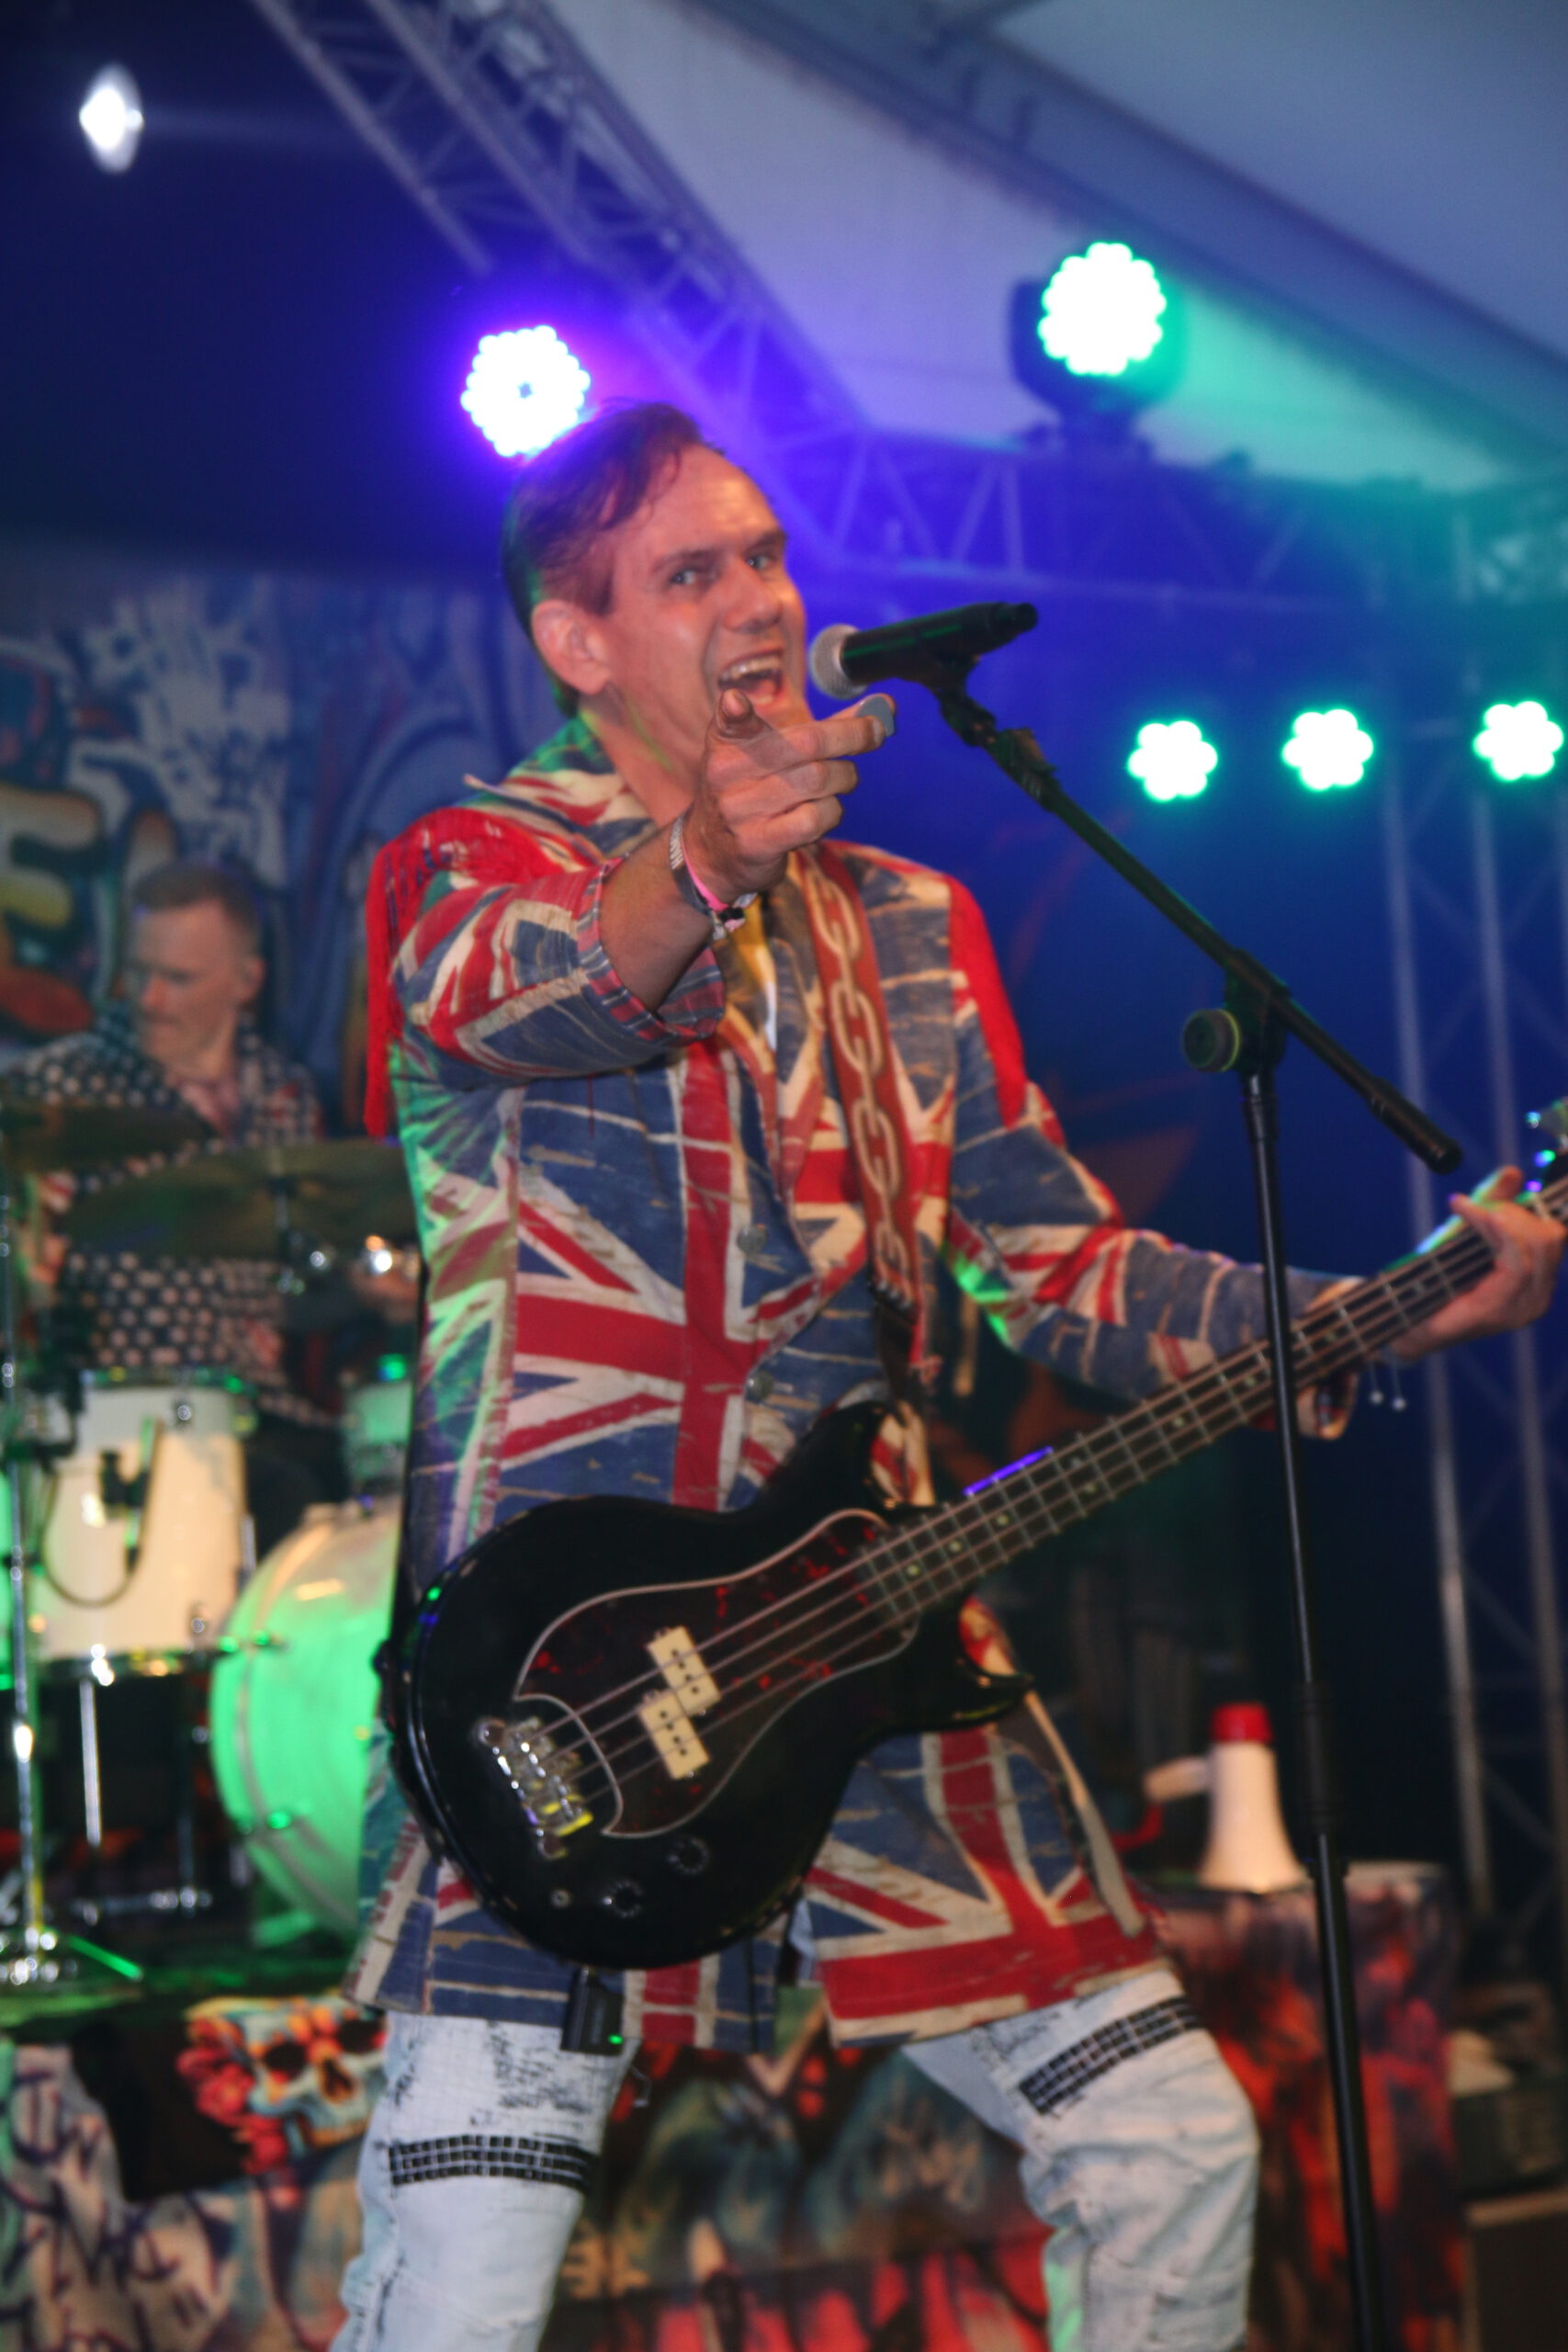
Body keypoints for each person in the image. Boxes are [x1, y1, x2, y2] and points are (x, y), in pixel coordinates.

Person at [340, 402, 1562, 2352]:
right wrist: (704, 855)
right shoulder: (469, 860)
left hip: (867, 1634)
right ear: (577, 641)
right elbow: (534, 988)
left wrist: (1389, 1306)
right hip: (567, 1664)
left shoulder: (909, 928)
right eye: (688, 572)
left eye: (763, 554)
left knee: (1167, 2143)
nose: (756, 598)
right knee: (466, 2283)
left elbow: (1061, 1265)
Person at [9, 858, 341, 1550]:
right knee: (277, 1493)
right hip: (122, 1414)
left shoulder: (285, 1095)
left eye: (179, 978)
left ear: (244, 981)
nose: (151, 999)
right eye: (139, 972)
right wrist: (25, 1277)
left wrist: (361, 1291)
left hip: (262, 1412)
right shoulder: (56, 1092)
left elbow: (288, 1295)